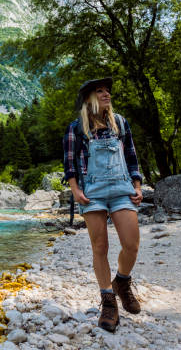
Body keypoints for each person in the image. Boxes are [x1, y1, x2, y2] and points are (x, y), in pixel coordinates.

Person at [62, 77, 143, 332]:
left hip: (121, 188)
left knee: (131, 244)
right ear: (89, 99)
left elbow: (131, 155)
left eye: (108, 91)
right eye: (100, 91)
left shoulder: (119, 123)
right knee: (100, 246)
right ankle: (108, 300)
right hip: (92, 191)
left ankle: (122, 281)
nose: (107, 94)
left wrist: (137, 185)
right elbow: (70, 163)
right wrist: (75, 189)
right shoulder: (76, 128)